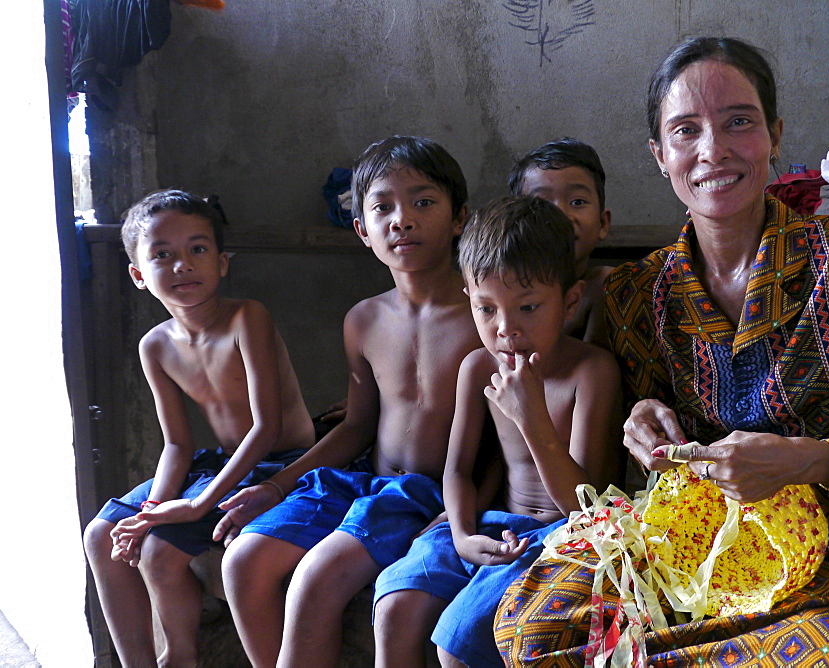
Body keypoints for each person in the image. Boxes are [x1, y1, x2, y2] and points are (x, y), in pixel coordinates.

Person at [496, 37, 829, 666]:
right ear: (660, 156)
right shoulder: (637, 295)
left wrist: (807, 461)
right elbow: (617, 459)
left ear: (774, 135)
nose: (712, 151)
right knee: (530, 630)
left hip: (818, 565)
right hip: (674, 549)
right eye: (685, 131)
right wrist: (639, 419)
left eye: (738, 122)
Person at [217, 135, 483, 667]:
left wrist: (465, 514)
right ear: (362, 230)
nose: (401, 220)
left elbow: (502, 438)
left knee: (314, 579)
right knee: (243, 560)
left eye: (423, 202)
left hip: (426, 495)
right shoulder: (363, 319)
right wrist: (274, 485)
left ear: (459, 218)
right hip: (362, 482)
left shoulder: (486, 315)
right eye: (382, 206)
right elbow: (357, 426)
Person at [372, 195, 623, 668]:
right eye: (486, 310)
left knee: (458, 640)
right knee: (394, 606)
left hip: (563, 538)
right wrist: (464, 534)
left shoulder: (590, 373)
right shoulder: (476, 368)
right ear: (469, 299)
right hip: (491, 526)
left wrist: (530, 417)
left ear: (569, 302)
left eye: (528, 307)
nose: (505, 329)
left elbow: (586, 508)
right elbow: (458, 471)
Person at [82, 189, 316, 667]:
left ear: (222, 262)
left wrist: (198, 504)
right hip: (220, 462)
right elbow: (176, 443)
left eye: (198, 249)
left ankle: (181, 656)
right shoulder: (156, 346)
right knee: (101, 536)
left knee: (160, 554)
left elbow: (268, 427)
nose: (183, 264)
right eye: (162, 254)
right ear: (138, 275)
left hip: (279, 462)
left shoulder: (246, 318)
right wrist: (150, 508)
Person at [508, 137, 613, 346]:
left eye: (577, 202)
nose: (562, 216)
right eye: (541, 204)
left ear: (602, 224)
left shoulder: (606, 287)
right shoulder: (501, 287)